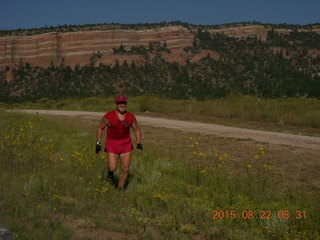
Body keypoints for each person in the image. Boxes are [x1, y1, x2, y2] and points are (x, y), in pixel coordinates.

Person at [96, 95, 142, 189]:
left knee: (125, 168)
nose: (122, 105)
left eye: (123, 103)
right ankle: (110, 173)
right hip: (112, 143)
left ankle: (120, 187)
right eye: (119, 103)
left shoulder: (130, 116)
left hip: (126, 144)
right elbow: (100, 128)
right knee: (112, 167)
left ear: (126, 104)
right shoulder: (108, 116)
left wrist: (139, 143)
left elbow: (136, 129)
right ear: (116, 104)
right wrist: (98, 143)